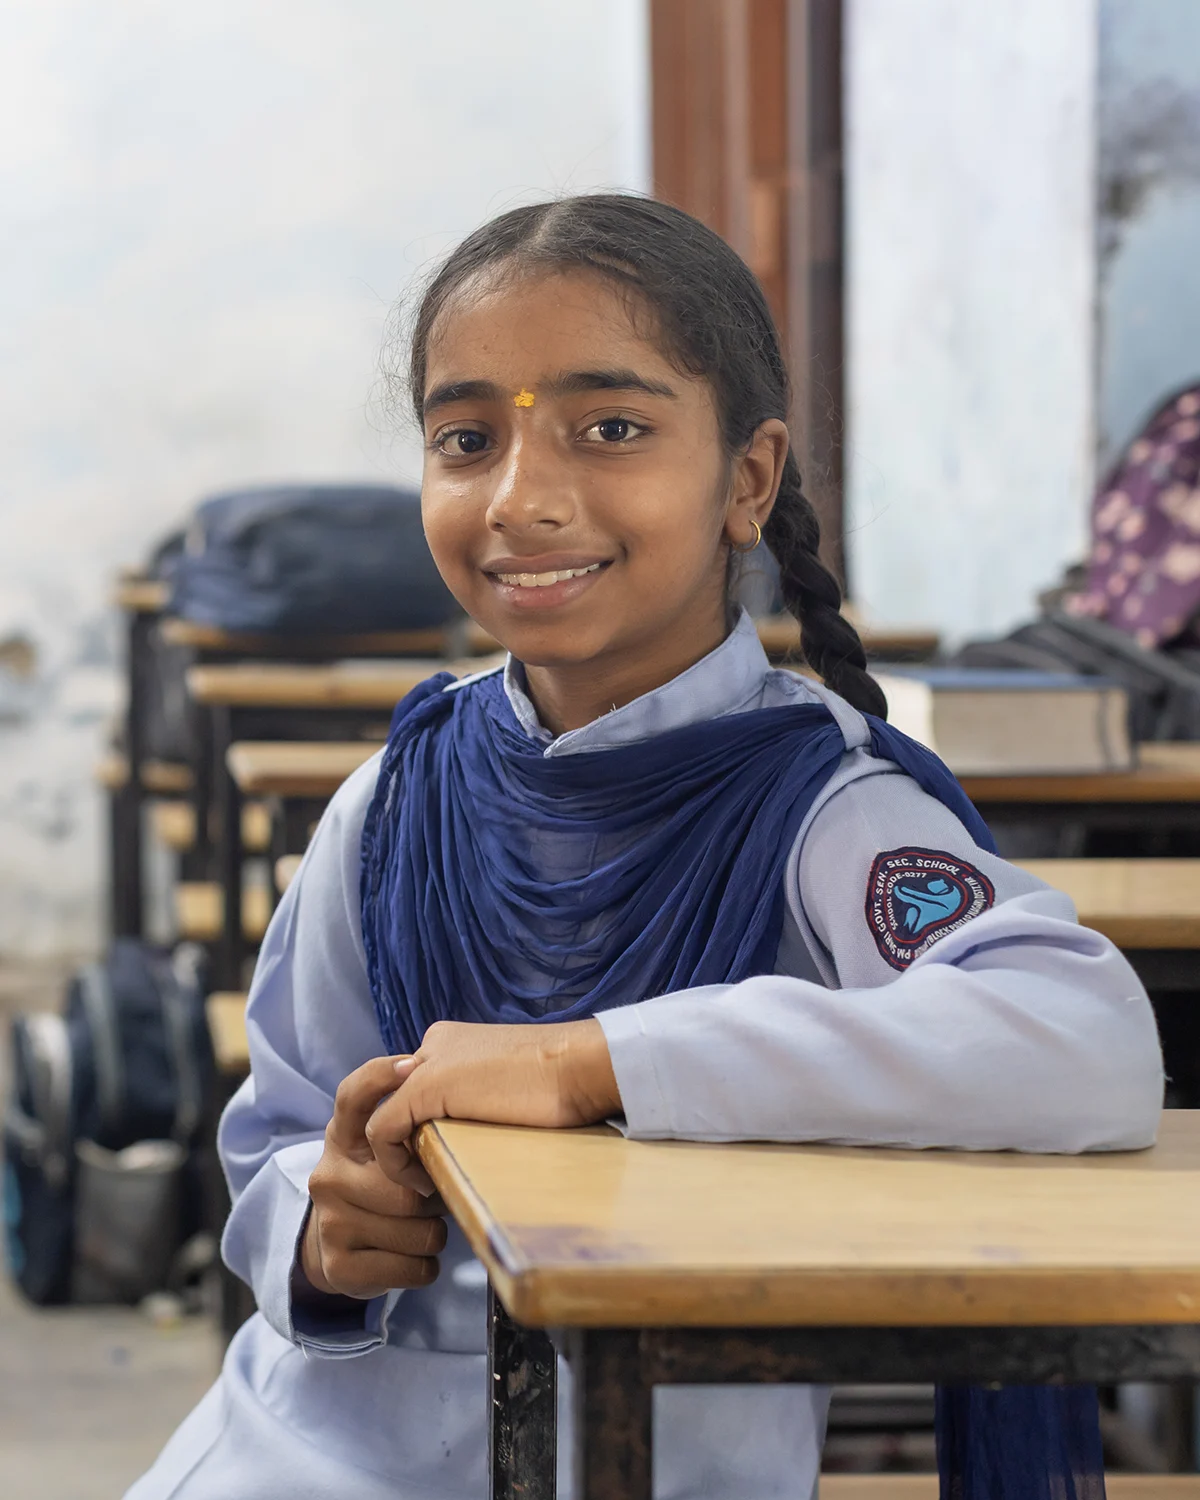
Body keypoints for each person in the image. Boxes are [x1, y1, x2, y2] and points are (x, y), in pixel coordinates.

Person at [128, 194, 1163, 1500]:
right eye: (466, 438)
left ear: (746, 479)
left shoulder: (821, 807)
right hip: (305, 1457)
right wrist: (323, 1229)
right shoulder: (393, 801)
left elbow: (1088, 1039)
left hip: (636, 1467)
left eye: (609, 428)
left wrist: (588, 1063)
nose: (521, 498)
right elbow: (277, 1131)